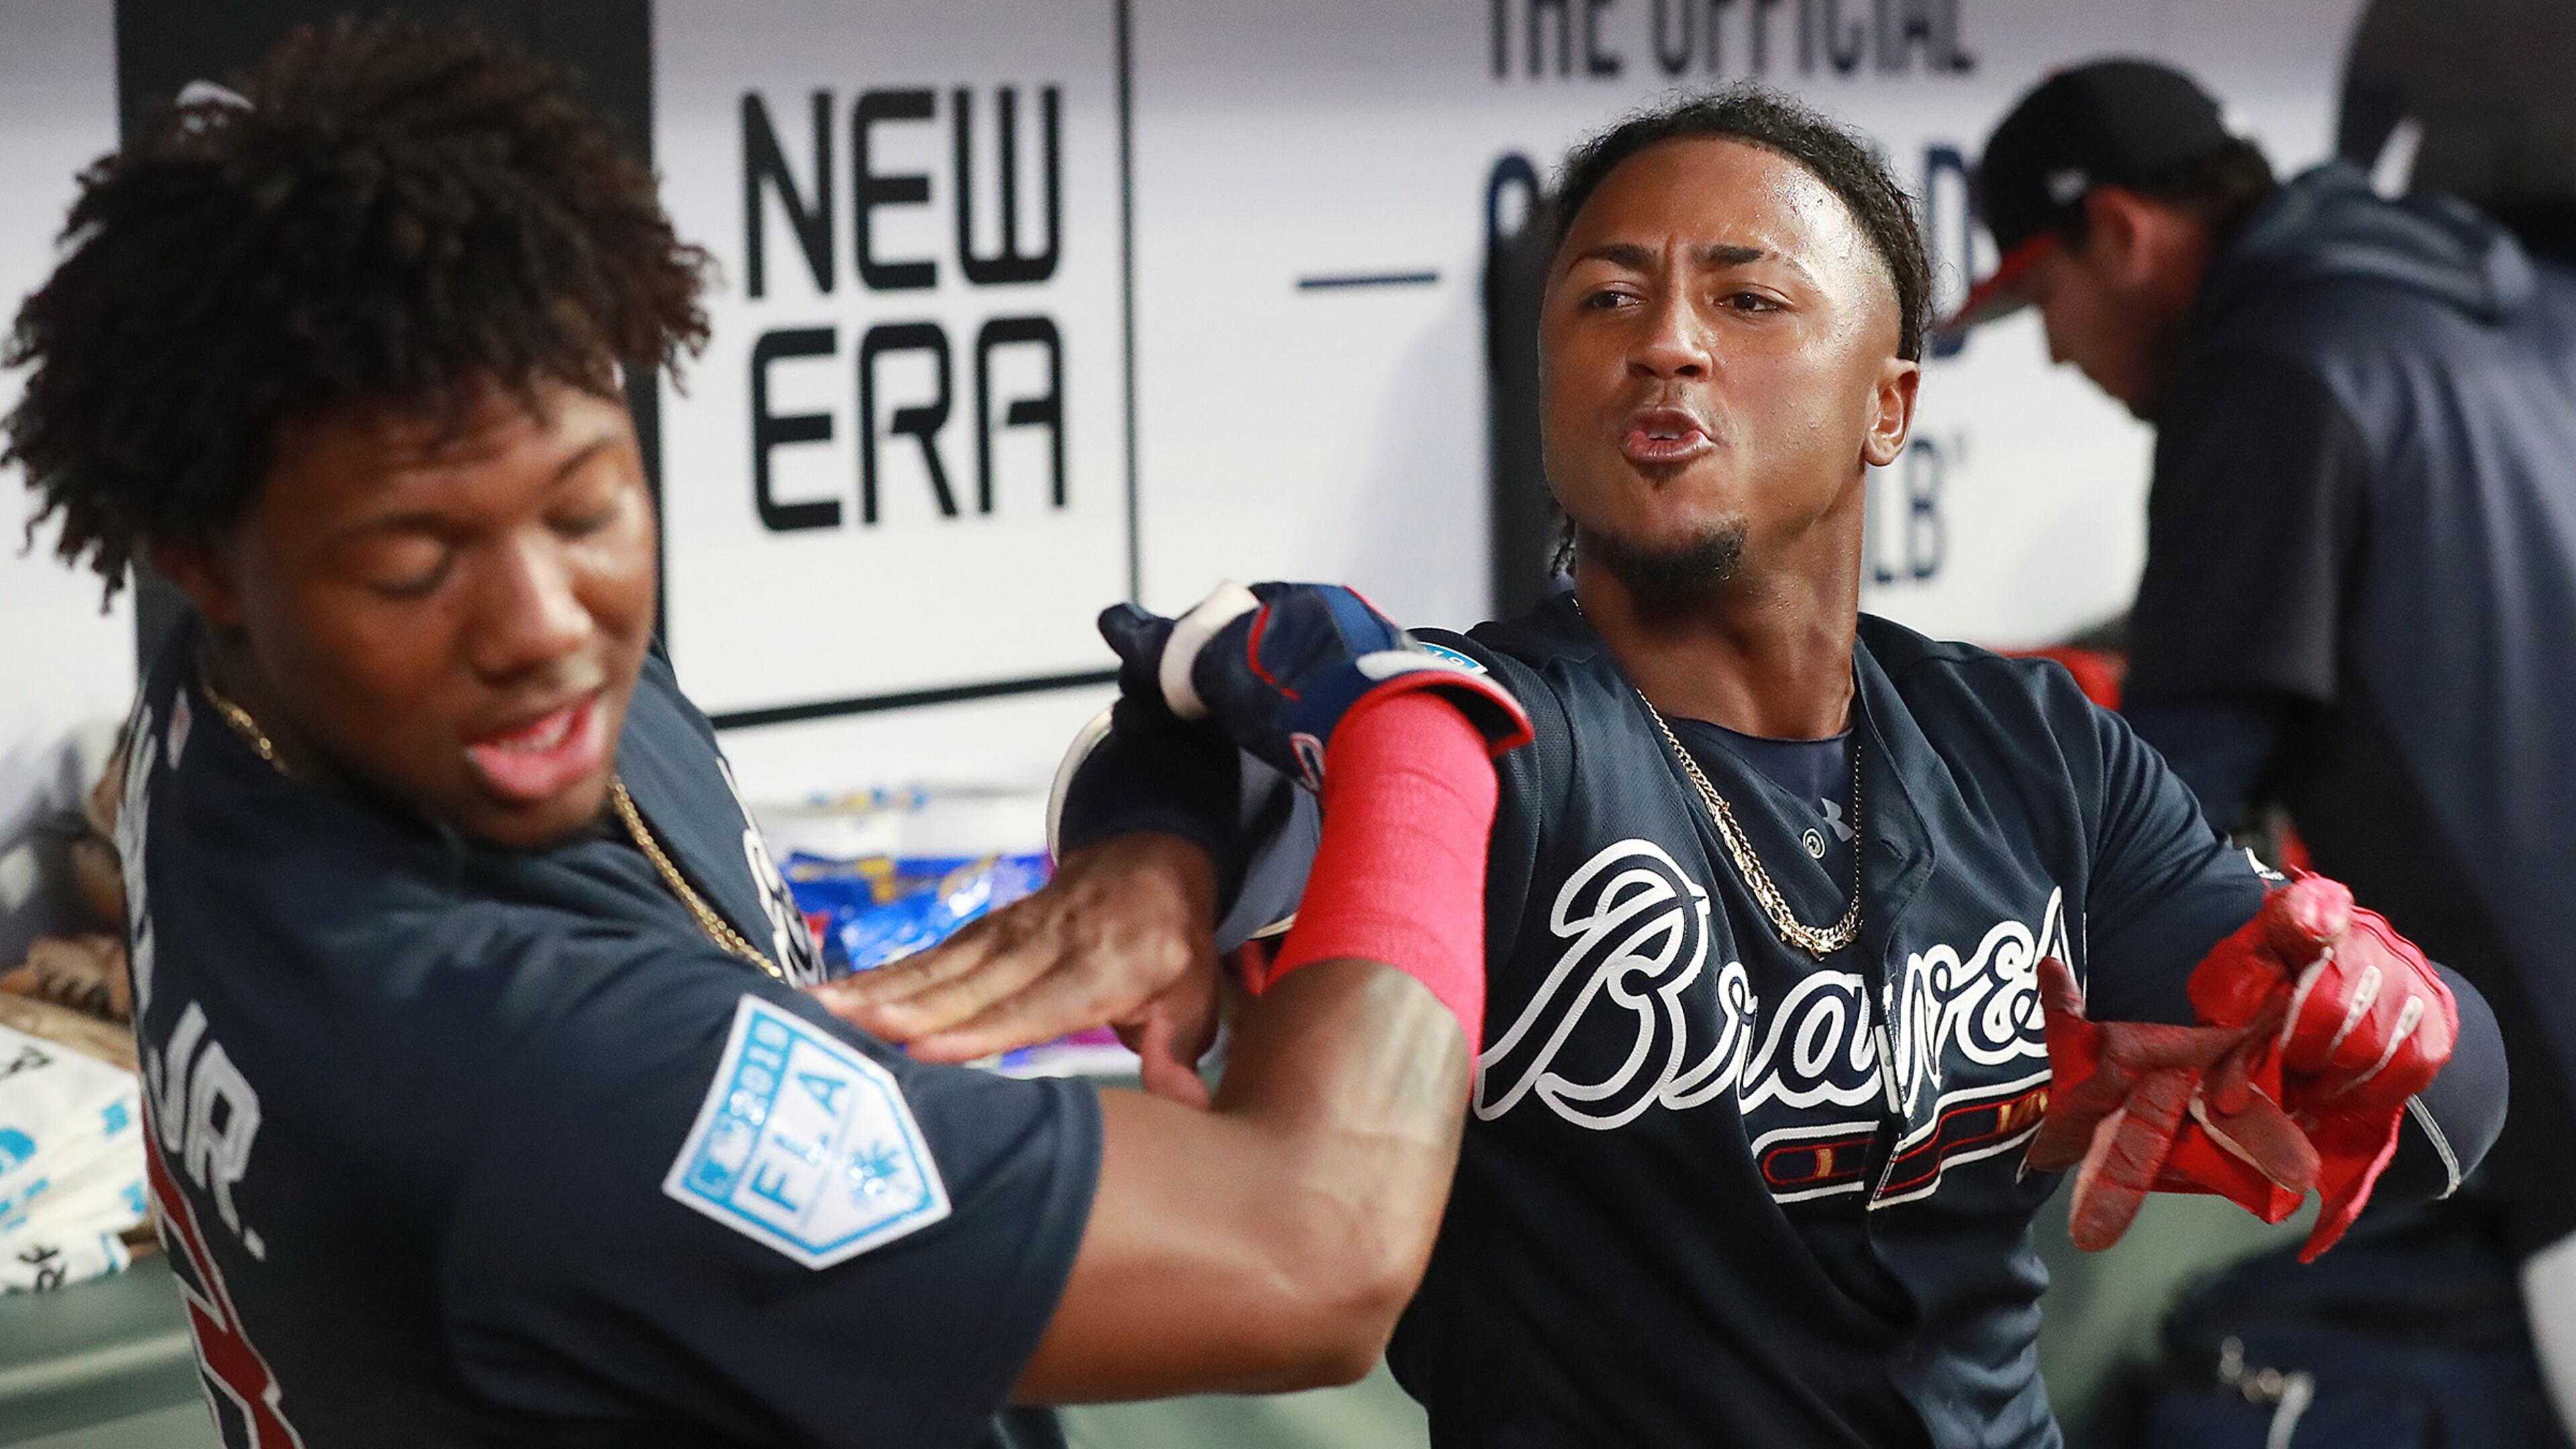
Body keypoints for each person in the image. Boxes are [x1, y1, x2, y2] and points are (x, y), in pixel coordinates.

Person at [825, 87, 2512, 1448]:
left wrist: (2381, 1018)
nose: (1668, 340)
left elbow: (2459, 1113)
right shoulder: (1473, 729)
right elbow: (1190, 725)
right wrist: (1152, 863)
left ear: (1889, 401)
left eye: (1749, 296)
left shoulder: (2027, 748)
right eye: (1606, 294)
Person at [0, 19, 1539, 1447]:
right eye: (413, 563)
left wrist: (1156, 851)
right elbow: (1317, 1251)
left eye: (588, 503)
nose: (544, 622)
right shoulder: (534, 1071)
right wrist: (1424, 731)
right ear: (203, 558)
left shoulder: (235, 706)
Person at [1949, 57, 2576, 1425]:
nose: (2059, 348)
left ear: (2120, 229)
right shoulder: (2503, 297)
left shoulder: (2273, 366)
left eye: (2047, 298)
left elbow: (2166, 817)